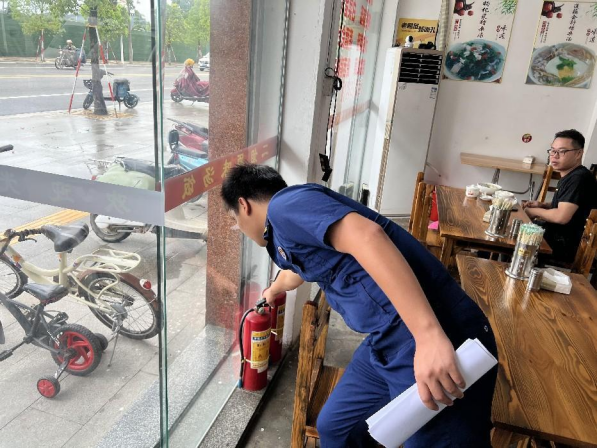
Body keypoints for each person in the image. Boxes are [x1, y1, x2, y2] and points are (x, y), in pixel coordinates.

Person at [221, 164, 498, 448]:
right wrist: (272, 290)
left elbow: (367, 236)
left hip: (433, 330)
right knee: (336, 429)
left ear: (243, 205)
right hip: (386, 341)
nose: (239, 228)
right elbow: (297, 270)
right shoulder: (287, 226)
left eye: (234, 220)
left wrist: (428, 336)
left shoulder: (284, 207)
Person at [524, 129, 597, 264]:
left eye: (562, 151)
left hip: (565, 245)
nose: (554, 156)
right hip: (558, 235)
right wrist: (543, 205)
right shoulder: (571, 174)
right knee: (514, 228)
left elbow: (561, 217)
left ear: (578, 153)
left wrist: (533, 211)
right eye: (552, 150)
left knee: (513, 238)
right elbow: (572, 207)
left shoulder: (578, 178)